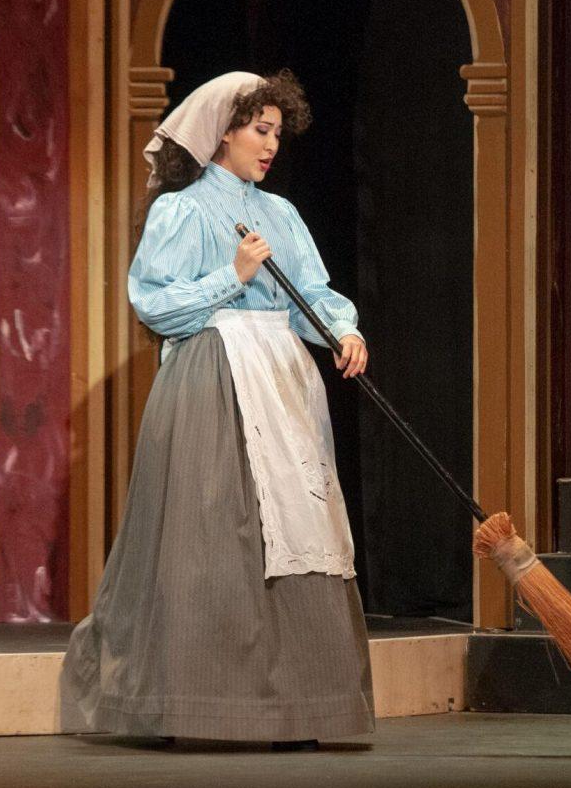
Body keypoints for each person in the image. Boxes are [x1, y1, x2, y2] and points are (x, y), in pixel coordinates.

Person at [59, 69, 374, 748]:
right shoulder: (182, 209)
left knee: (296, 533)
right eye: (259, 131)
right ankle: (186, 702)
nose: (269, 146)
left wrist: (343, 332)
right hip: (213, 376)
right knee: (211, 538)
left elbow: (310, 292)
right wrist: (229, 276)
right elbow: (153, 302)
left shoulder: (282, 214)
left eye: (276, 134)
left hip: (281, 378)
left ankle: (300, 705)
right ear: (222, 132)